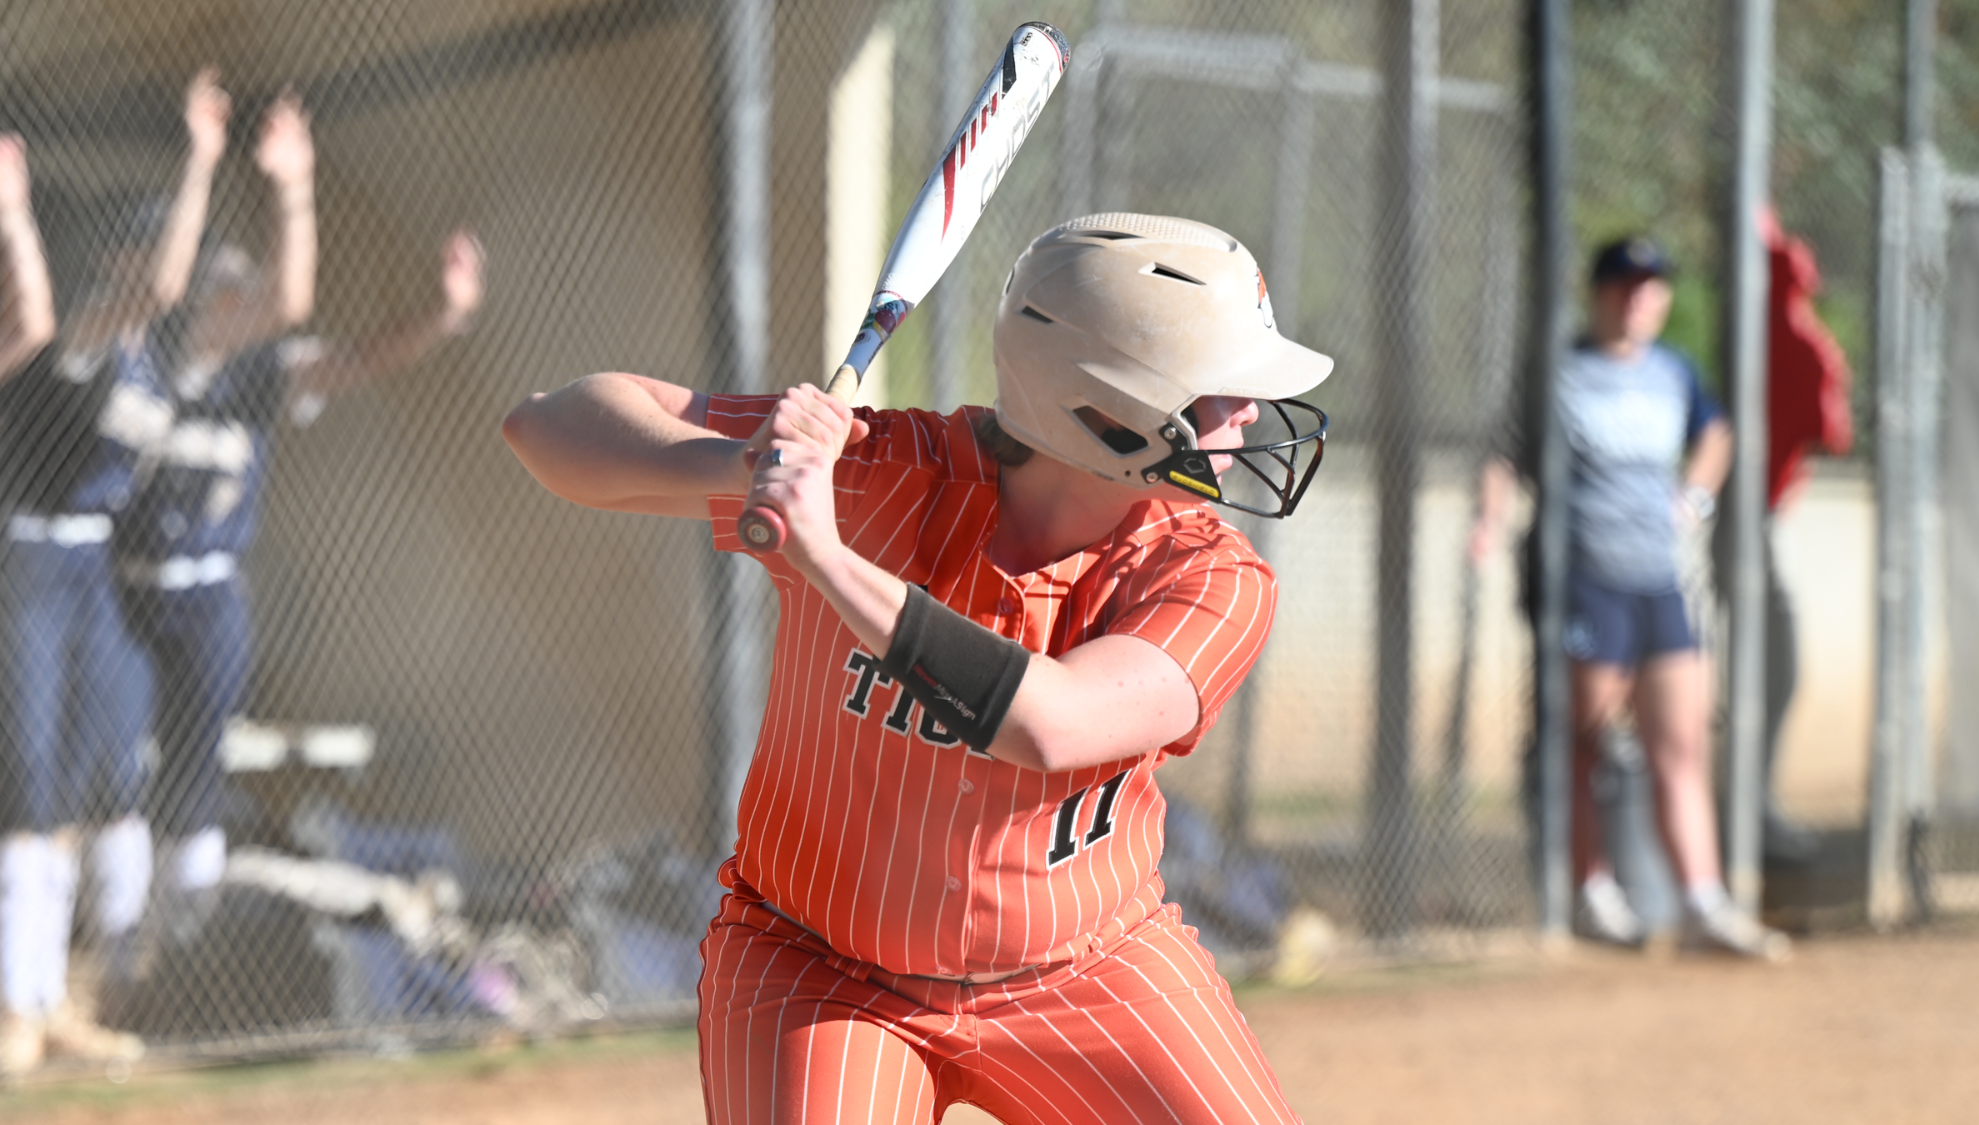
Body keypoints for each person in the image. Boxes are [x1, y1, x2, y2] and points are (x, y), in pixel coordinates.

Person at [505, 213, 1329, 1123]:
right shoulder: (879, 471)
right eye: (1224, 391)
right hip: (823, 971)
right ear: (1116, 410)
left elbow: (1049, 725)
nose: (1252, 414)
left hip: (1090, 967)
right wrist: (745, 463)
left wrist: (830, 559)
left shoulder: (1209, 574)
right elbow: (544, 427)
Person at [119, 220, 483, 946]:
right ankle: (109, 949)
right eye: (225, 292)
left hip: (211, 592)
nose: (243, 304)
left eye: (244, 291)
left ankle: (180, 951)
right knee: (115, 768)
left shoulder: (262, 369)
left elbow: (357, 359)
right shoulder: (155, 359)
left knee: (194, 775)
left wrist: (441, 317)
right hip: (125, 590)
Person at [0, 69, 231, 1076]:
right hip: (26, 556)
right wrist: (201, 160)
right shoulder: (92, 329)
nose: (171, 271)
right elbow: (129, 294)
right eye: (151, 252)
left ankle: (56, 1002)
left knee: (95, 779)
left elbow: (187, 293)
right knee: (29, 781)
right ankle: (20, 1009)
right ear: (120, 261)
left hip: (91, 568)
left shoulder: (147, 355)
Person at [1472, 235, 1790, 961]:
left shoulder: (1674, 370)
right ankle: (1590, 892)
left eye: (1653, 286)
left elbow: (1716, 431)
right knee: (1584, 740)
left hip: (1658, 579)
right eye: (1626, 284)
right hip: (1586, 579)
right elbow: (1504, 452)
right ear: (1599, 292)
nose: (1641, 297)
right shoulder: (1561, 372)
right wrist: (1487, 522)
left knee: (1679, 744)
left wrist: (1696, 498)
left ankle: (1704, 904)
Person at [1747, 208, 1852, 863]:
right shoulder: (1805, 338)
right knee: (1777, 665)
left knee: (1758, 664)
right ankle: (1749, 806)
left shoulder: (1746, 325)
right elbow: (1835, 435)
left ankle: (1747, 803)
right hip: (1755, 518)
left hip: (1728, 509)